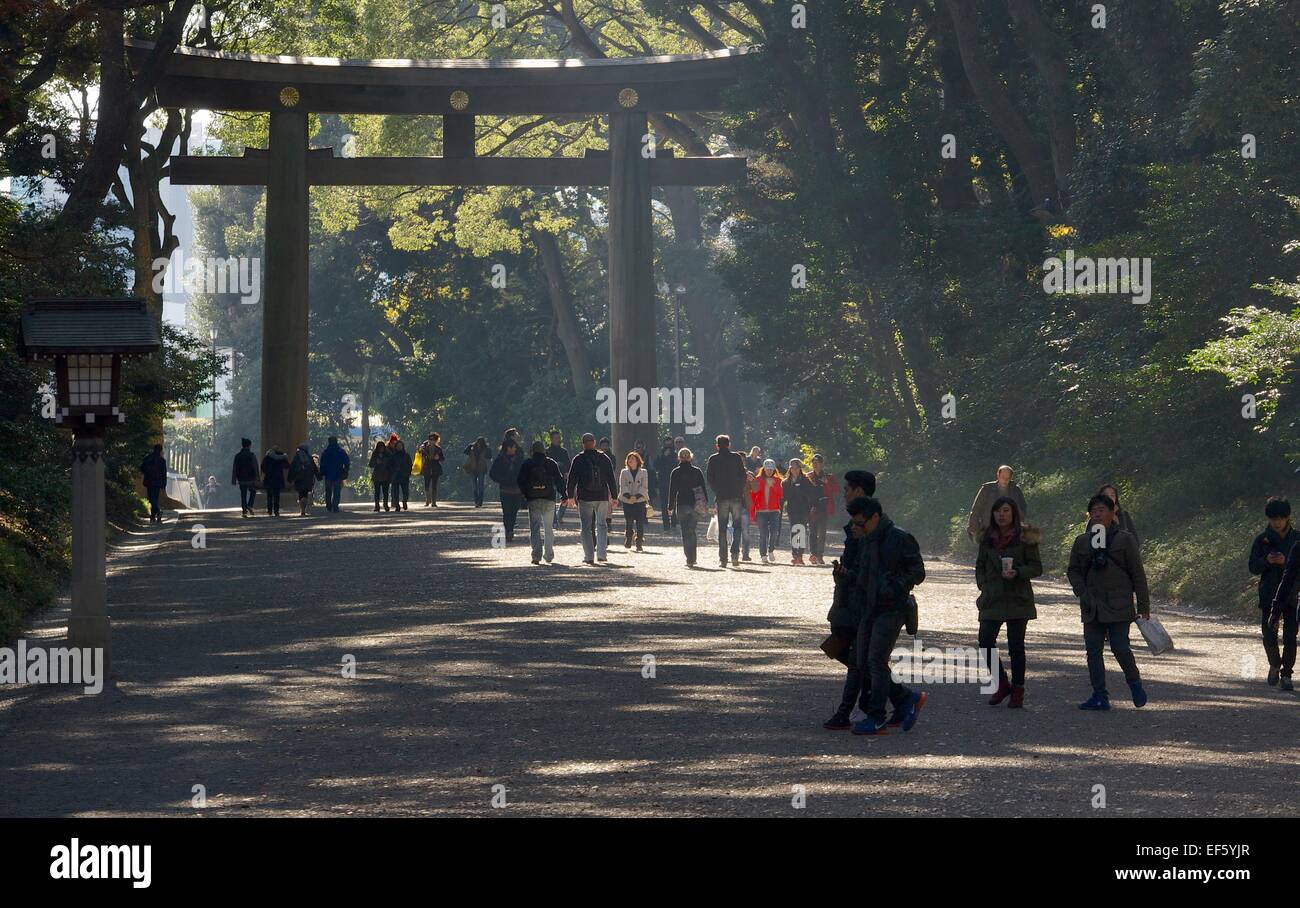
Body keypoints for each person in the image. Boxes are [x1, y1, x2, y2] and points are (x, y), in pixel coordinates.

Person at [847, 497, 928, 736]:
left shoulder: (900, 537)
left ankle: (877, 717)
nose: (855, 528)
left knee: (875, 661)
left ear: (874, 518)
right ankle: (906, 698)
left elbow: (918, 571)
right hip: (869, 608)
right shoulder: (865, 539)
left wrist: (894, 587)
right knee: (864, 662)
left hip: (892, 608)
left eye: (860, 523)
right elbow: (864, 574)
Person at [1067, 493, 1150, 710]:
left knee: (1120, 647)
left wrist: (1143, 608)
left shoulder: (1125, 540)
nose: (1097, 513)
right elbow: (1073, 570)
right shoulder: (1082, 541)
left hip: (1119, 604)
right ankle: (1099, 695)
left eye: (1102, 509)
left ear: (1113, 513)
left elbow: (1138, 575)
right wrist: (1081, 591)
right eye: (1093, 510)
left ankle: (1134, 683)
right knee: (1093, 651)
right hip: (1091, 605)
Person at [975, 496, 1043, 708]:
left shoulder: (1025, 537)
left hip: (1018, 598)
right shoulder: (987, 537)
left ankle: (1018, 690)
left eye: (1005, 510)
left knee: (1016, 646)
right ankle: (1002, 684)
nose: (1001, 515)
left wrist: (1018, 572)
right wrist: (984, 585)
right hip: (992, 598)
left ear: (1013, 513)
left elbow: (1037, 567)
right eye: (997, 511)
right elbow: (980, 566)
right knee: (985, 641)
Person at [1251, 497, 1300, 688]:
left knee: (1290, 636)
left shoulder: (1297, 538)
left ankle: (1287, 674)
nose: (1277, 522)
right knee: (1269, 634)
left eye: (1281, 518)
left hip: (1292, 595)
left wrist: (1286, 561)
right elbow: (1252, 567)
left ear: (1288, 517)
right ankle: (1274, 664)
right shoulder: (1261, 540)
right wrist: (1267, 561)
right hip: (1269, 594)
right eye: (1273, 519)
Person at [565, 433, 617, 564]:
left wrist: (570, 496)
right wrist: (614, 497)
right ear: (594, 443)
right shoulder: (604, 458)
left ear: (583, 444)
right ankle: (602, 554)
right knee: (602, 525)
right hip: (602, 497)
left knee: (586, 527)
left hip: (585, 497)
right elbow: (611, 478)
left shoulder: (578, 459)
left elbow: (572, 480)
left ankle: (589, 556)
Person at [517, 440, 565, 564]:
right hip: (549, 498)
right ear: (544, 450)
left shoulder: (527, 463)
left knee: (535, 527)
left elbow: (520, 481)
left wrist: (525, 494)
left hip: (533, 499)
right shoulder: (551, 463)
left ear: (532, 451)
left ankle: (536, 555)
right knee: (548, 528)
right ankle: (548, 555)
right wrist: (564, 495)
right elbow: (559, 481)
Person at [706, 434, 748, 568]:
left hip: (722, 497)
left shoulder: (713, 459)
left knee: (722, 529)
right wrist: (740, 489)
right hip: (736, 496)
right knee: (737, 526)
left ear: (717, 445)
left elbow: (710, 478)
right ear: (729, 444)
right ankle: (735, 553)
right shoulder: (736, 457)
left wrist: (716, 490)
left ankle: (723, 559)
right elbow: (743, 475)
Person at [967, 465, 1029, 542]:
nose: (1005, 480)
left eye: (1008, 477)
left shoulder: (1015, 490)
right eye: (1003, 477)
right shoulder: (987, 489)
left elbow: (1023, 507)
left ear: (1011, 478)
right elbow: (977, 509)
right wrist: (973, 527)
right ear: (998, 475)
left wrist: (1020, 521)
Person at [667, 447, 707, 567]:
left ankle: (689, 558)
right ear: (690, 457)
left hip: (682, 504)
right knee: (692, 531)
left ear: (679, 457)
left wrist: (670, 506)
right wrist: (705, 503)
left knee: (685, 532)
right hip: (695, 504)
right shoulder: (697, 471)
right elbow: (703, 489)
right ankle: (693, 557)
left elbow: (672, 491)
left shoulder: (675, 472)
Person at [489, 437, 528, 541]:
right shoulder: (500, 459)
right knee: (507, 512)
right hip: (505, 490)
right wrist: (501, 480)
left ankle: (510, 529)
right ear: (508, 448)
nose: (515, 449)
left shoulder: (519, 459)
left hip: (517, 490)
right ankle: (508, 530)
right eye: (514, 447)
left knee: (514, 511)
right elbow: (492, 474)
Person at [783, 458, 818, 565]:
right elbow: (786, 496)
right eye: (792, 468)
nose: (795, 470)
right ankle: (795, 554)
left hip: (803, 509)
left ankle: (800, 555)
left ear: (800, 468)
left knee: (801, 530)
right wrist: (793, 486)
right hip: (792, 509)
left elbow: (811, 494)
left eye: (797, 468)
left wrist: (812, 506)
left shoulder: (806, 480)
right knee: (794, 530)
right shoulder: (786, 482)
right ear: (790, 469)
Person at [751, 459, 784, 564]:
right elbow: (754, 494)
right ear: (763, 469)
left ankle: (771, 550)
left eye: (771, 469)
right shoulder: (758, 479)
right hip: (761, 511)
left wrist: (773, 485)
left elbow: (781, 494)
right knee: (763, 534)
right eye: (767, 469)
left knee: (774, 533)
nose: (769, 471)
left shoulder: (778, 480)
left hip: (774, 510)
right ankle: (763, 555)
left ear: (774, 470)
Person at [619, 451, 650, 552]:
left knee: (640, 522)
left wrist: (636, 497)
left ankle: (639, 541)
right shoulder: (624, 472)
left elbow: (644, 486)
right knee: (629, 521)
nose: (630, 461)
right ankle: (628, 536)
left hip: (640, 500)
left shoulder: (644, 472)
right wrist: (629, 496)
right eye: (629, 459)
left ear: (637, 461)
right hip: (627, 500)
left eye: (633, 459)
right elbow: (622, 485)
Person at [807, 454, 834, 564]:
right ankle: (813, 554)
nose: (815, 464)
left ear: (822, 464)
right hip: (812, 508)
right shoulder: (808, 476)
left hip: (824, 508)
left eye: (817, 462)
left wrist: (827, 483)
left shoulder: (829, 477)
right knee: (812, 532)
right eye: (813, 462)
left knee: (822, 533)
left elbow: (836, 490)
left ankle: (820, 555)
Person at [546, 430, 571, 529]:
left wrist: (566, 473)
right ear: (551, 439)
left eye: (559, 437)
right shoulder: (547, 451)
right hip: (550, 478)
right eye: (556, 438)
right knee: (552, 500)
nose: (558, 439)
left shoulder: (564, 451)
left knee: (565, 498)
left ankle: (559, 515)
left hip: (562, 479)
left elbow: (568, 464)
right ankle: (554, 521)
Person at [319, 435, 350, 513]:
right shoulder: (341, 451)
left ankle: (329, 505)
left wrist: (322, 472)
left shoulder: (325, 452)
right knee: (336, 491)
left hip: (328, 474)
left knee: (328, 491)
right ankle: (335, 506)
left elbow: (322, 464)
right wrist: (345, 470)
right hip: (338, 474)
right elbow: (347, 462)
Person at [288, 443, 320, 517]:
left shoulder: (296, 458)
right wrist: (318, 476)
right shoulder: (310, 458)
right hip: (308, 479)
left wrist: (290, 478)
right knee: (305, 494)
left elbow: (292, 468)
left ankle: (301, 509)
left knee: (300, 494)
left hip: (299, 479)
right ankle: (303, 509)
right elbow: (314, 469)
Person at [654, 437, 677, 532]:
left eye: (669, 444)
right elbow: (656, 466)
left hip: (674, 482)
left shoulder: (675, 455)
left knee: (674, 504)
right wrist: (664, 456)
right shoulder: (660, 455)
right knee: (664, 505)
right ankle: (666, 526)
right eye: (666, 444)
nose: (668, 446)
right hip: (663, 482)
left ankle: (674, 524)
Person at [140, 444, 168, 524]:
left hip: (149, 481)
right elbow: (164, 473)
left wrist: (147, 473)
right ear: (160, 450)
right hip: (158, 483)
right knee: (154, 498)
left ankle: (155, 514)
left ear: (154, 449)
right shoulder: (162, 461)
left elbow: (142, 468)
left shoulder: (148, 458)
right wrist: (164, 484)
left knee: (151, 499)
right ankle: (154, 516)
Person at [231, 438, 259, 517]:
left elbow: (235, 468)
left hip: (241, 479)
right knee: (253, 492)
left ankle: (244, 511)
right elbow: (255, 467)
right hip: (250, 478)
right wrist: (257, 478)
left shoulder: (237, 456)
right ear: (249, 446)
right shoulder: (252, 455)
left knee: (243, 494)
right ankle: (249, 505)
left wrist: (234, 479)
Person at [463, 437, 492, 507]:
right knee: (475, 487)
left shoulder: (486, 449)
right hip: (473, 469)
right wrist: (471, 446)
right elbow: (465, 451)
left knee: (480, 486)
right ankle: (476, 501)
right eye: (478, 442)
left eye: (480, 443)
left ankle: (480, 502)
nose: (478, 444)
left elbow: (489, 457)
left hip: (481, 469)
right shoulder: (472, 447)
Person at [261, 447, 289, 517]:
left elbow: (263, 467)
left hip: (269, 478)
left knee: (269, 495)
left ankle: (269, 510)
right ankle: (276, 511)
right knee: (277, 496)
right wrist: (285, 458)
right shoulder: (281, 458)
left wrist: (267, 472)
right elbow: (287, 466)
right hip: (278, 479)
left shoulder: (267, 457)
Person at [418, 432, 444, 507]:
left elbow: (442, 458)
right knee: (426, 484)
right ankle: (427, 500)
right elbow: (419, 453)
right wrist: (420, 449)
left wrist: (438, 458)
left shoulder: (439, 449)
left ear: (436, 440)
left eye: (433, 439)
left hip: (435, 468)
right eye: (430, 439)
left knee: (434, 485)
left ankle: (434, 502)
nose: (431, 441)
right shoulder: (424, 447)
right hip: (426, 467)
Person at [389, 439, 413, 512]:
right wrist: (392, 473)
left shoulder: (406, 455)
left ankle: (404, 501)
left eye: (400, 446)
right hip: (396, 476)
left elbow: (410, 465)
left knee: (405, 491)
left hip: (404, 475)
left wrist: (408, 473)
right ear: (395, 447)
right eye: (398, 446)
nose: (399, 447)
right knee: (395, 492)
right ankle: (397, 506)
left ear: (403, 447)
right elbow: (390, 465)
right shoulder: (393, 456)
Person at [368, 440, 392, 512]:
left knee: (385, 492)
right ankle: (377, 505)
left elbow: (392, 463)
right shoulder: (375, 454)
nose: (381, 449)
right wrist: (376, 462)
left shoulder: (388, 454)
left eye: (382, 447)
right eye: (379, 447)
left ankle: (385, 505)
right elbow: (370, 464)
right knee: (377, 492)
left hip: (385, 476)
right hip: (377, 476)